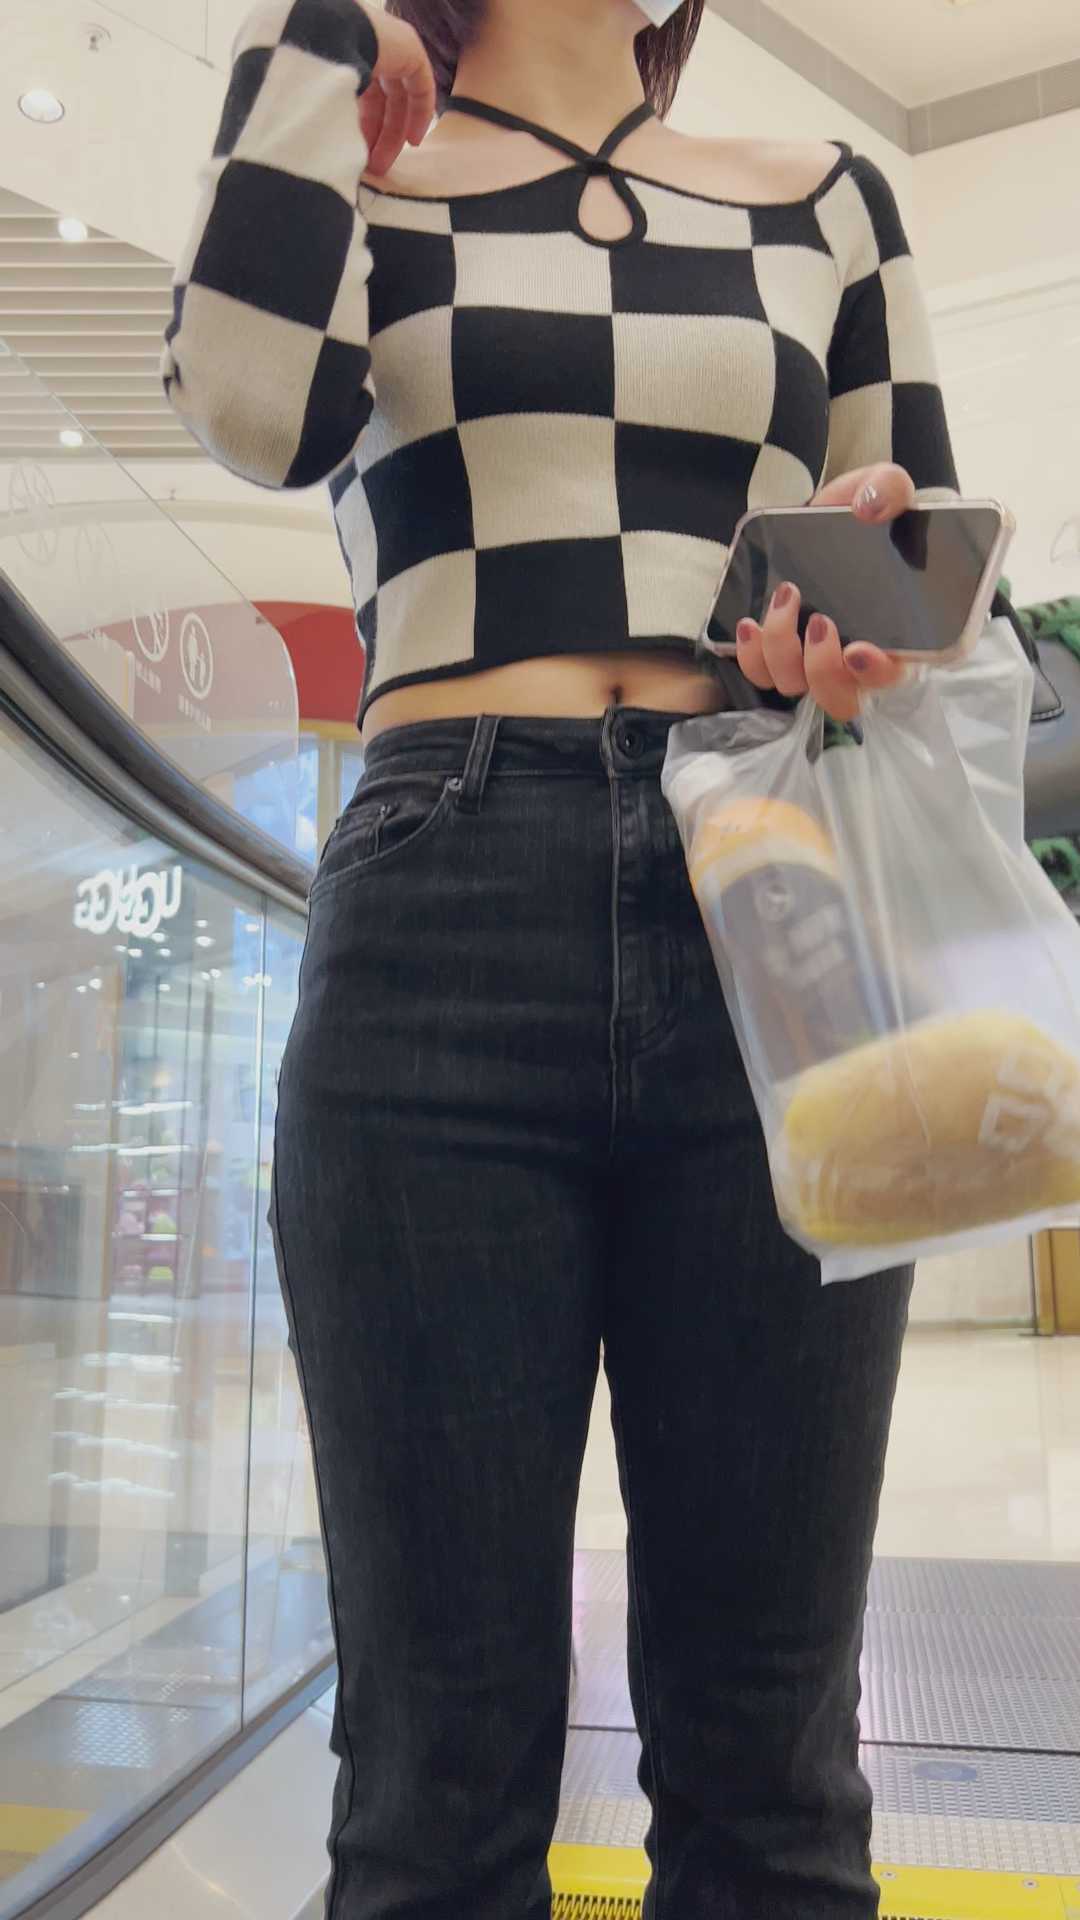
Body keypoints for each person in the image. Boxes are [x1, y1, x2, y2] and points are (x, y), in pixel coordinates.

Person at [163, 1, 962, 1913]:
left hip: (772, 889)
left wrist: (861, 610)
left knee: (775, 1769)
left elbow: (922, 594)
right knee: (432, 1775)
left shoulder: (828, 199)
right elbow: (249, 408)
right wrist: (323, 32)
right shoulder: (362, 164)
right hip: (442, 888)